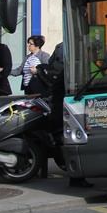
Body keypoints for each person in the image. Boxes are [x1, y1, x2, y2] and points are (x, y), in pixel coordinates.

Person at [37, 42, 93, 188]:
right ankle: (76, 178)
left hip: (66, 110)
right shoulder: (73, 69)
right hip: (66, 112)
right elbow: (58, 89)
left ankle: (77, 176)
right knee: (72, 145)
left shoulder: (80, 68)